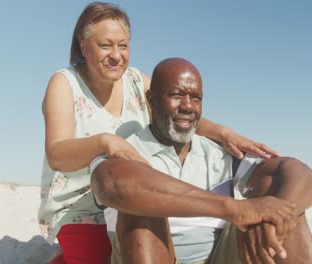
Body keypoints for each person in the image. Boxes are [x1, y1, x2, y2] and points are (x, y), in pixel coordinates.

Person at [38, 3, 279, 263]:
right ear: (84, 47)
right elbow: (56, 154)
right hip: (81, 207)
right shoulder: (64, 84)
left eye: (123, 45)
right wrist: (105, 142)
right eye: (105, 45)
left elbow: (176, 110)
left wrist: (223, 133)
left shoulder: (135, 80)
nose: (116, 55)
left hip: (132, 194)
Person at [91, 58, 312, 264]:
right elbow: (112, 184)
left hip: (222, 255)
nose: (188, 106)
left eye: (196, 98)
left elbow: (299, 173)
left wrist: (272, 220)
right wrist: (235, 209)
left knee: (286, 206)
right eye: (177, 95)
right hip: (154, 255)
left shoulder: (220, 152)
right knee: (140, 203)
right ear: (151, 100)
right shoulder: (126, 149)